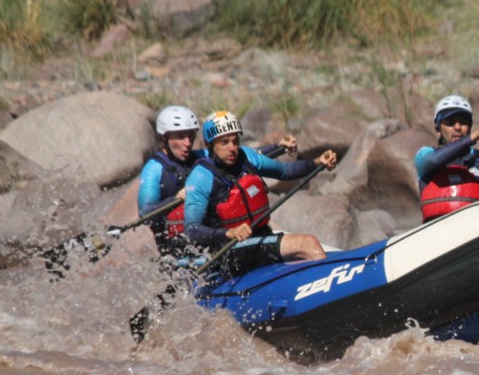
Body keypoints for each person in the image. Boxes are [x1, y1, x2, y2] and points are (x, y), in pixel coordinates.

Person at [183, 110, 337, 276]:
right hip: (229, 250)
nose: (232, 148)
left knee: (306, 248)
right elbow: (191, 230)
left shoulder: (246, 156)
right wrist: (228, 232)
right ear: (209, 145)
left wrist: (316, 163)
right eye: (224, 142)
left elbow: (285, 171)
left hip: (260, 237)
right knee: (308, 244)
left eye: (235, 141)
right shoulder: (200, 177)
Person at [138, 105, 297, 256]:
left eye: (190, 135)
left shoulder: (200, 157)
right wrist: (176, 199)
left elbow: (244, 157)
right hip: (178, 249)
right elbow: (145, 214)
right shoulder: (153, 169)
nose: (187, 143)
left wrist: (279, 147)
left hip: (213, 238)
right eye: (180, 136)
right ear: (163, 137)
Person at [414, 94, 479, 222]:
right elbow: (433, 160)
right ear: (438, 129)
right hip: (437, 230)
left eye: (463, 122)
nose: (457, 128)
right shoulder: (425, 155)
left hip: (478, 229)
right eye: (450, 123)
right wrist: (478, 134)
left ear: (470, 126)